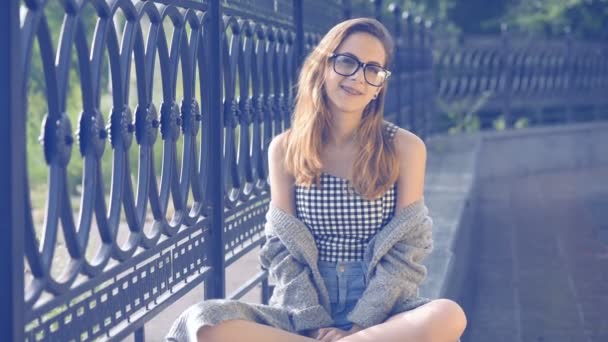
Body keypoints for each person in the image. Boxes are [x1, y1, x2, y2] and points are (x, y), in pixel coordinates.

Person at [166, 17, 466, 342]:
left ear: (380, 85)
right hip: (303, 314)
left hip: (384, 314)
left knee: (448, 315)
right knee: (202, 322)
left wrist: (360, 325)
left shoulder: (404, 147)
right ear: (323, 65)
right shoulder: (285, 148)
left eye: (372, 69)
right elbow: (281, 250)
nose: (357, 78)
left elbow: (408, 248)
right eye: (347, 62)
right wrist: (313, 322)